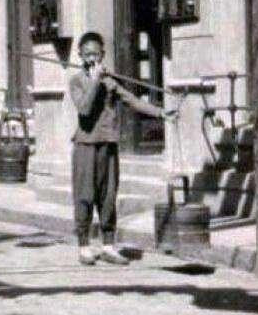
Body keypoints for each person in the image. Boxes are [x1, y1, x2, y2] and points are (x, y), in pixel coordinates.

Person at [69, 31, 177, 266]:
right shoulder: (76, 81)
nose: (92, 58)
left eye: (96, 54)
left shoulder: (110, 81)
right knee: (85, 196)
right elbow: (84, 109)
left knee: (108, 196)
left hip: (108, 144)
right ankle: (84, 247)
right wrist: (96, 80)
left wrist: (161, 113)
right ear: (80, 55)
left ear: (102, 55)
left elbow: (132, 100)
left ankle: (108, 246)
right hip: (85, 145)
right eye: (87, 54)